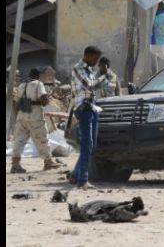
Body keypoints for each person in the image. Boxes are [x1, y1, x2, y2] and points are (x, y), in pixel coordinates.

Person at [10, 68, 63, 173]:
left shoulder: (22, 85)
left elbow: (16, 102)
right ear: (38, 76)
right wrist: (46, 101)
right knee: (42, 138)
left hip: (21, 116)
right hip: (35, 116)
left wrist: (18, 117)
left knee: (19, 140)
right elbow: (43, 98)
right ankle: (48, 162)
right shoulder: (38, 84)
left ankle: (15, 164)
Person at [68, 45, 103, 189]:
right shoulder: (78, 68)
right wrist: (104, 76)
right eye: (95, 58)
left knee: (91, 145)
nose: (96, 62)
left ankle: (75, 174)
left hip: (92, 108)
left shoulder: (90, 70)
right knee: (86, 144)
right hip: (83, 109)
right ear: (87, 56)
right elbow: (89, 85)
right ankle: (83, 180)